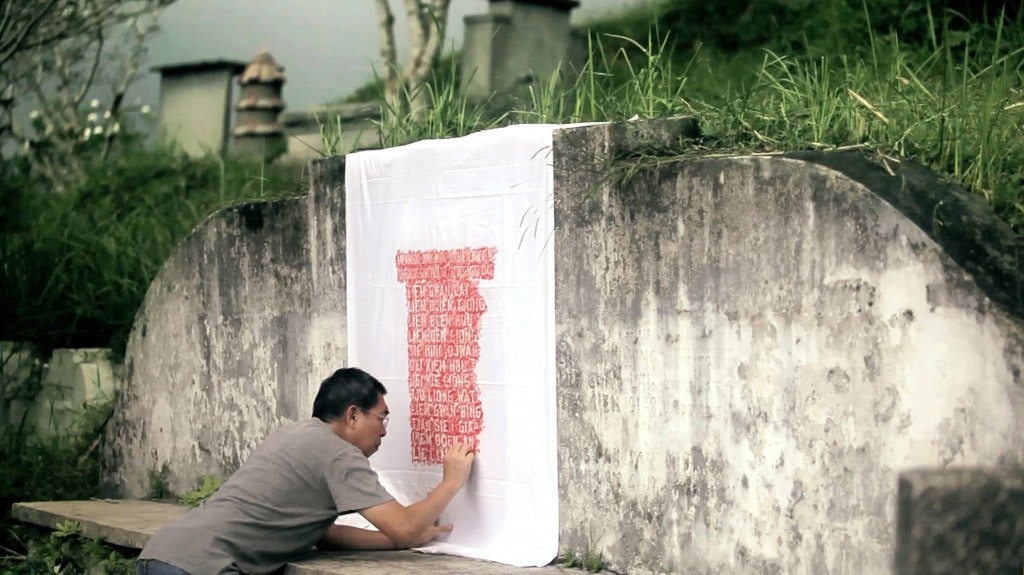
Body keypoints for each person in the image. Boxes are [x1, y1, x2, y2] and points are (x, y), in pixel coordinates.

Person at [136, 367, 475, 575]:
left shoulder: (295, 434)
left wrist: (396, 544)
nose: (384, 430)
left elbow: (325, 535)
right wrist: (452, 481)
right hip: (202, 566)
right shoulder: (338, 453)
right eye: (381, 417)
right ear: (353, 415)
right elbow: (403, 527)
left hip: (164, 554)